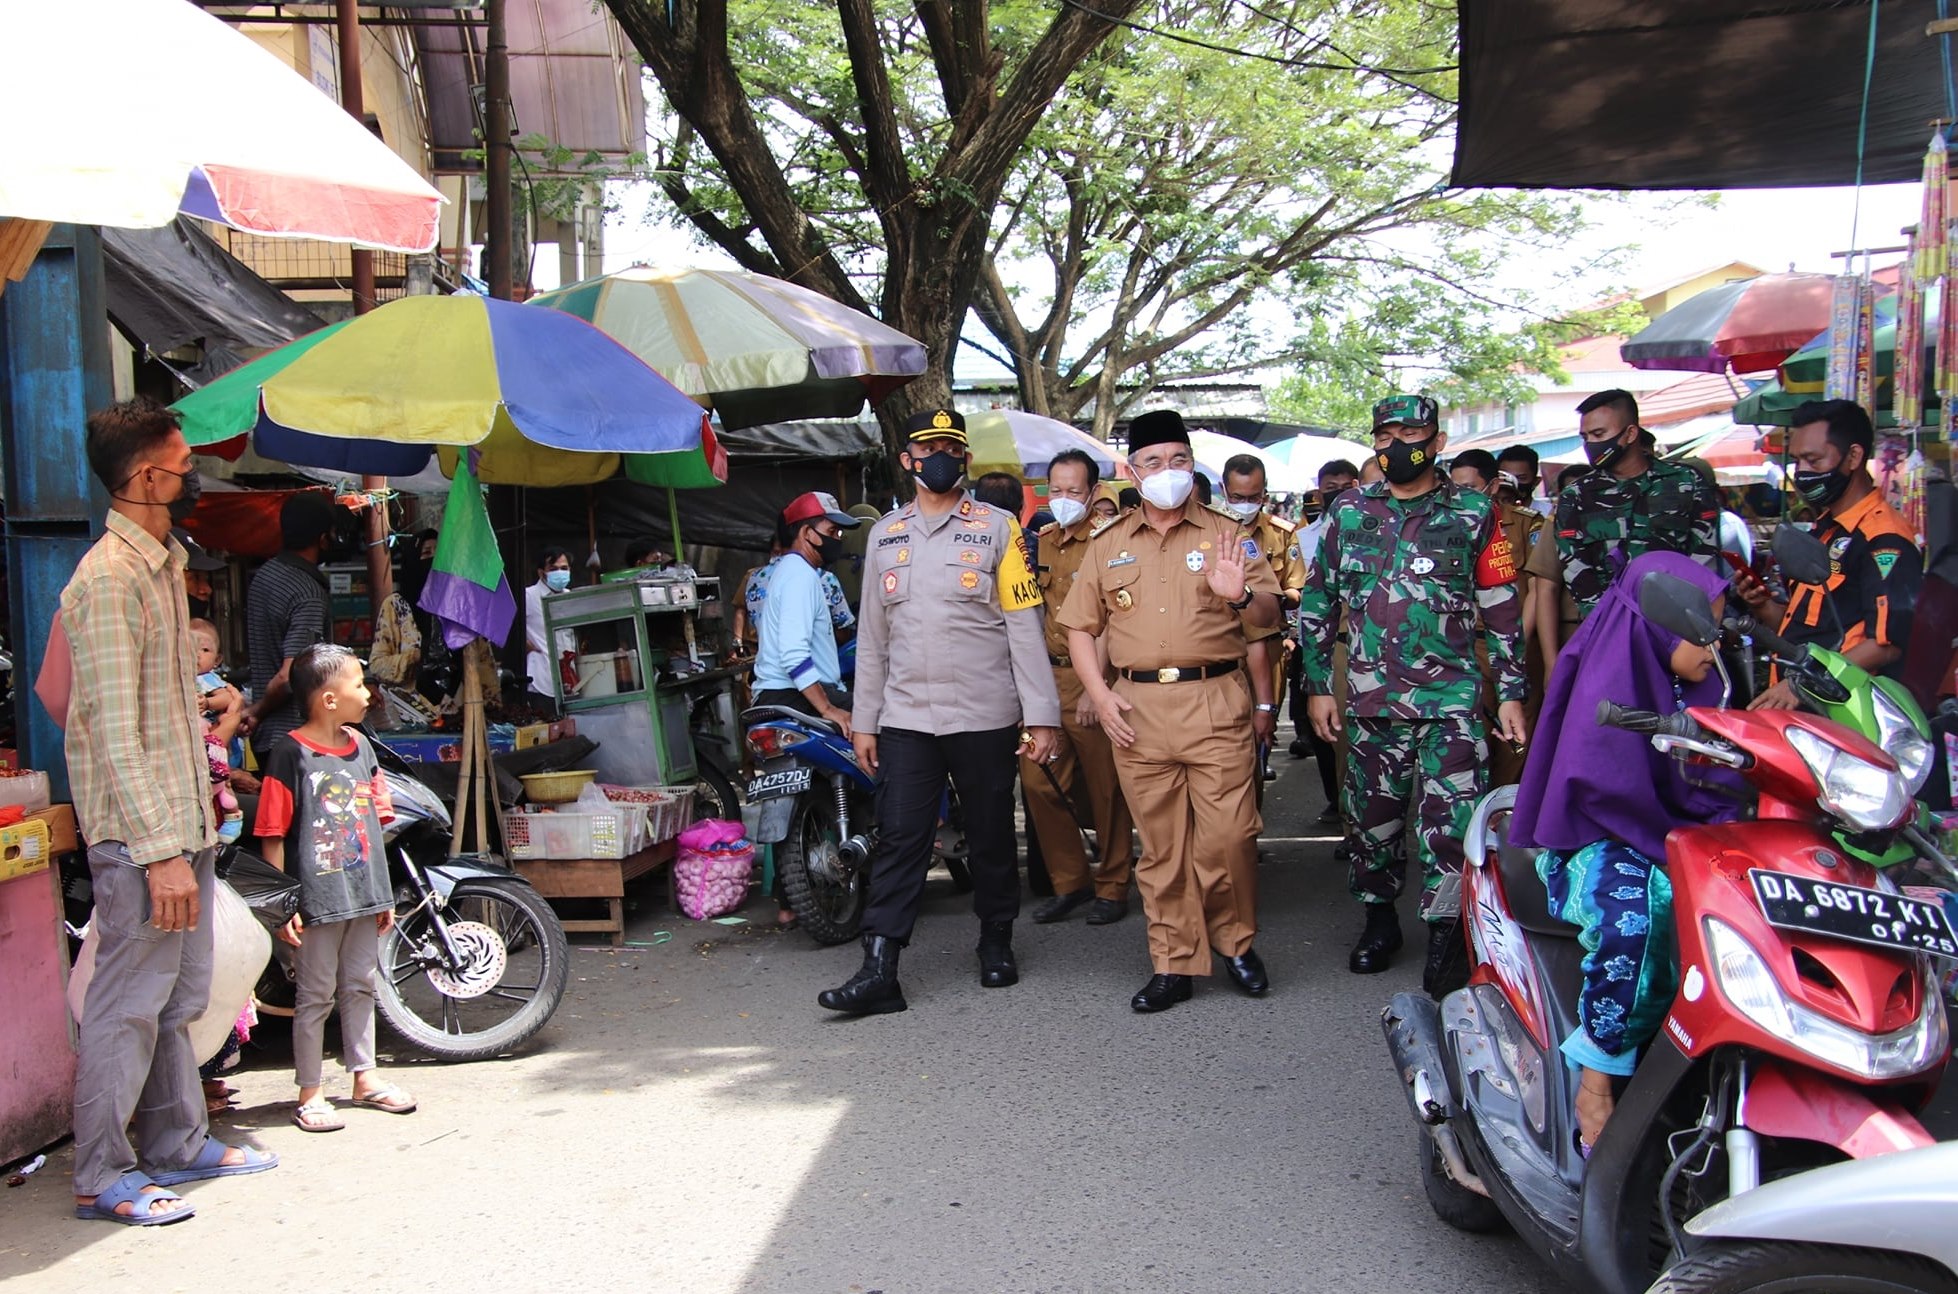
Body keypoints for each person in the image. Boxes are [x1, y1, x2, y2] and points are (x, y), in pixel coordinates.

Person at [63, 398, 276, 1227]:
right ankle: (101, 1174)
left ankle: (176, 1142)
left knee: (177, 1001)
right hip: (140, 840)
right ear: (149, 478)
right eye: (186, 469)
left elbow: (158, 716)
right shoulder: (107, 580)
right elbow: (115, 732)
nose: (196, 480)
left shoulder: (159, 564)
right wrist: (158, 854)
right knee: (127, 1007)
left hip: (183, 827)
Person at [818, 409, 1061, 1016]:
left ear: (966, 460)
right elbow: (873, 640)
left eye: (951, 449)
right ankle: (880, 968)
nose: (940, 458)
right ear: (908, 460)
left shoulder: (1000, 529)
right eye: (928, 449)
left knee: (990, 834)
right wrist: (865, 721)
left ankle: (996, 938)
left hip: (984, 714)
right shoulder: (884, 536)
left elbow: (1024, 626)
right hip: (907, 719)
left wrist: (1041, 716)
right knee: (901, 837)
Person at [1298, 394, 1527, 995]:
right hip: (1372, 701)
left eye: (1410, 433)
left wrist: (1510, 692)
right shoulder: (1349, 512)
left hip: (1451, 701)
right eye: (1385, 434)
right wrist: (1318, 685)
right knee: (1371, 823)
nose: (1396, 445)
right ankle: (1379, 921)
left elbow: (1502, 608)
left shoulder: (1474, 513)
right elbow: (1319, 601)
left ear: (1437, 441)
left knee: (1452, 826)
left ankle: (1447, 935)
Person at [1508, 553, 1738, 1151]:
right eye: (1702, 631)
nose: (1715, 646)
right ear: (1661, 625)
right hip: (1598, 840)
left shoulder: (1707, 680)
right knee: (1637, 915)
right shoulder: (1608, 683)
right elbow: (1611, 794)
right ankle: (1596, 1080)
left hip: (1671, 836)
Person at [1057, 408, 1282, 1012]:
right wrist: (1100, 694)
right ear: (1132, 472)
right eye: (1153, 461)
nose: (1168, 470)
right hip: (1137, 710)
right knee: (1162, 848)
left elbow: (1269, 617)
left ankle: (1234, 942)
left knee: (1230, 837)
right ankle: (1174, 960)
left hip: (1214, 701)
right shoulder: (1108, 543)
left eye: (1178, 459)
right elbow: (1080, 627)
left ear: (1192, 464)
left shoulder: (1227, 534)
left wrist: (1242, 595)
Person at [254, 644, 417, 1133]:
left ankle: (365, 1078)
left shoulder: (362, 747)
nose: (367, 695)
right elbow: (272, 834)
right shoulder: (289, 754)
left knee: (362, 984)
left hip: (364, 894)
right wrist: (282, 905)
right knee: (315, 995)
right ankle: (310, 1092)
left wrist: (382, 894)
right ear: (329, 699)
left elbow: (375, 825)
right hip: (316, 901)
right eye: (359, 685)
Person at [1738, 399, 1922, 708]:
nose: (1803, 472)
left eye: (1813, 460)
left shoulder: (1883, 538)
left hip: (1847, 713)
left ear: (1853, 456)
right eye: (1798, 461)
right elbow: (1809, 626)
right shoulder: (1825, 529)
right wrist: (1763, 606)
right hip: (1802, 710)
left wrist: (1801, 684)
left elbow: (1885, 644)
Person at [1024, 449, 1137, 926]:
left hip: (1093, 679)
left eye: (1074, 490)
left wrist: (1098, 686)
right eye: (1056, 489)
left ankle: (1113, 884)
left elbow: (1115, 616)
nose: (1064, 498)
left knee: (1105, 787)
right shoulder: (1044, 541)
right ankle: (1070, 881)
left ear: (1093, 493)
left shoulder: (1111, 540)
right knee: (1038, 781)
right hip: (1046, 680)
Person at [1525, 389, 1720, 661]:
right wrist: (1617, 628)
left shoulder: (1686, 483)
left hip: (1679, 637)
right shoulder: (1576, 497)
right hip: (1607, 638)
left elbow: (1704, 561)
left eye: (1599, 434)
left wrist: (1685, 629)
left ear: (1630, 434)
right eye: (1585, 437)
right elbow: (1576, 571)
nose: (1591, 444)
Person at [1220, 454, 1306, 778]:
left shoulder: (1280, 533)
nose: (1245, 503)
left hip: (1268, 642)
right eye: (1237, 496)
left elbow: (1296, 590)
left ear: (1264, 494)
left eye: (1253, 496)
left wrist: (1264, 598)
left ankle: (1258, 775)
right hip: (1221, 644)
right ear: (1224, 491)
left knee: (1262, 722)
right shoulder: (1210, 530)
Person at [1290, 460, 1363, 819]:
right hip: (1328, 644)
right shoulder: (1304, 537)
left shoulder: (1374, 527)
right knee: (1333, 736)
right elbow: (1310, 599)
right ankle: (1343, 809)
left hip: (1373, 647)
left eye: (1344, 487)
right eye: (1329, 488)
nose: (1337, 494)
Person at [243, 490, 336, 764]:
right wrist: (257, 711)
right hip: (297, 739)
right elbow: (289, 676)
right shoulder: (307, 592)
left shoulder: (266, 575)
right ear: (323, 538)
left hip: (269, 738)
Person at [753, 491, 860, 728]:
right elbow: (793, 653)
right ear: (806, 533)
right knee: (885, 719)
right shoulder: (800, 576)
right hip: (791, 694)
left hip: (781, 694)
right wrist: (827, 709)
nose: (837, 539)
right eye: (832, 531)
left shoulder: (790, 570)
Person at [189, 619, 245, 843]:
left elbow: (226, 697)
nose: (197, 655)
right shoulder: (179, 679)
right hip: (203, 743)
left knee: (221, 778)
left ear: (217, 659)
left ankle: (232, 815)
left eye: (205, 650)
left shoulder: (208, 679)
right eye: (189, 648)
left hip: (216, 746)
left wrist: (208, 703)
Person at [524, 546, 573, 711]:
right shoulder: (529, 596)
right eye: (553, 569)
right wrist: (525, 645)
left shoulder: (570, 597)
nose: (560, 572)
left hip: (570, 681)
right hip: (541, 679)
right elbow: (507, 626)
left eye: (564, 568)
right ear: (541, 573)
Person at [1497, 444, 1549, 517]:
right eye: (1506, 477)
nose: (1513, 482)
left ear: (1536, 482)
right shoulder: (1488, 516)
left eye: (1521, 478)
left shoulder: (1549, 514)